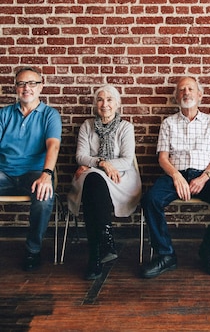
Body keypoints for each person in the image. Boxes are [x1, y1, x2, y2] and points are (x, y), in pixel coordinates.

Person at [140, 76, 210, 279]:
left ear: (199, 95)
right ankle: (166, 255)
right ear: (177, 97)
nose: (186, 93)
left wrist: (204, 177)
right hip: (174, 174)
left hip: (204, 175)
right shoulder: (168, 123)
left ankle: (209, 251)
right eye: (182, 90)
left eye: (191, 89)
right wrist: (176, 176)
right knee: (150, 199)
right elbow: (162, 158)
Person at [67, 84, 142, 280]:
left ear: (117, 104)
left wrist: (100, 165)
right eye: (100, 99)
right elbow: (80, 156)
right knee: (93, 181)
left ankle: (96, 255)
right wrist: (100, 163)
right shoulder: (87, 126)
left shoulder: (126, 127)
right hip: (93, 176)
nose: (105, 104)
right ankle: (104, 241)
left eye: (109, 100)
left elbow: (126, 160)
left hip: (121, 177)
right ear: (95, 104)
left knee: (93, 183)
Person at [0, 66, 62, 271]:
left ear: (41, 86)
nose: (27, 88)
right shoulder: (4, 114)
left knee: (44, 198)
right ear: (16, 88)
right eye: (21, 83)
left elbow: (53, 145)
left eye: (32, 83)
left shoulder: (50, 115)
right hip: (4, 172)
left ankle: (33, 250)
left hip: (35, 174)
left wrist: (47, 175)